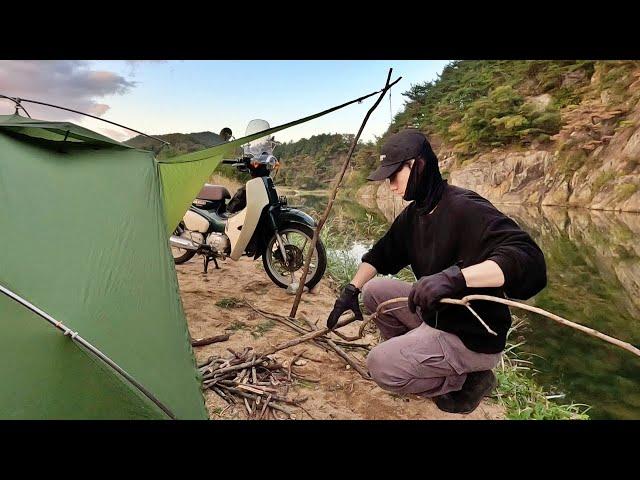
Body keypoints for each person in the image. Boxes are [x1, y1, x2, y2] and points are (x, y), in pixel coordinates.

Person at [326, 129, 547, 414]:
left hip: (473, 334)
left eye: (395, 175)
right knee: (374, 290)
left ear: (418, 165)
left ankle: (464, 380)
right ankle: (422, 363)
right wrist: (350, 290)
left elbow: (529, 259)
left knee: (379, 366)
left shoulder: (465, 207)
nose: (391, 185)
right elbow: (381, 254)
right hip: (439, 315)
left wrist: (456, 277)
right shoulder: (415, 214)